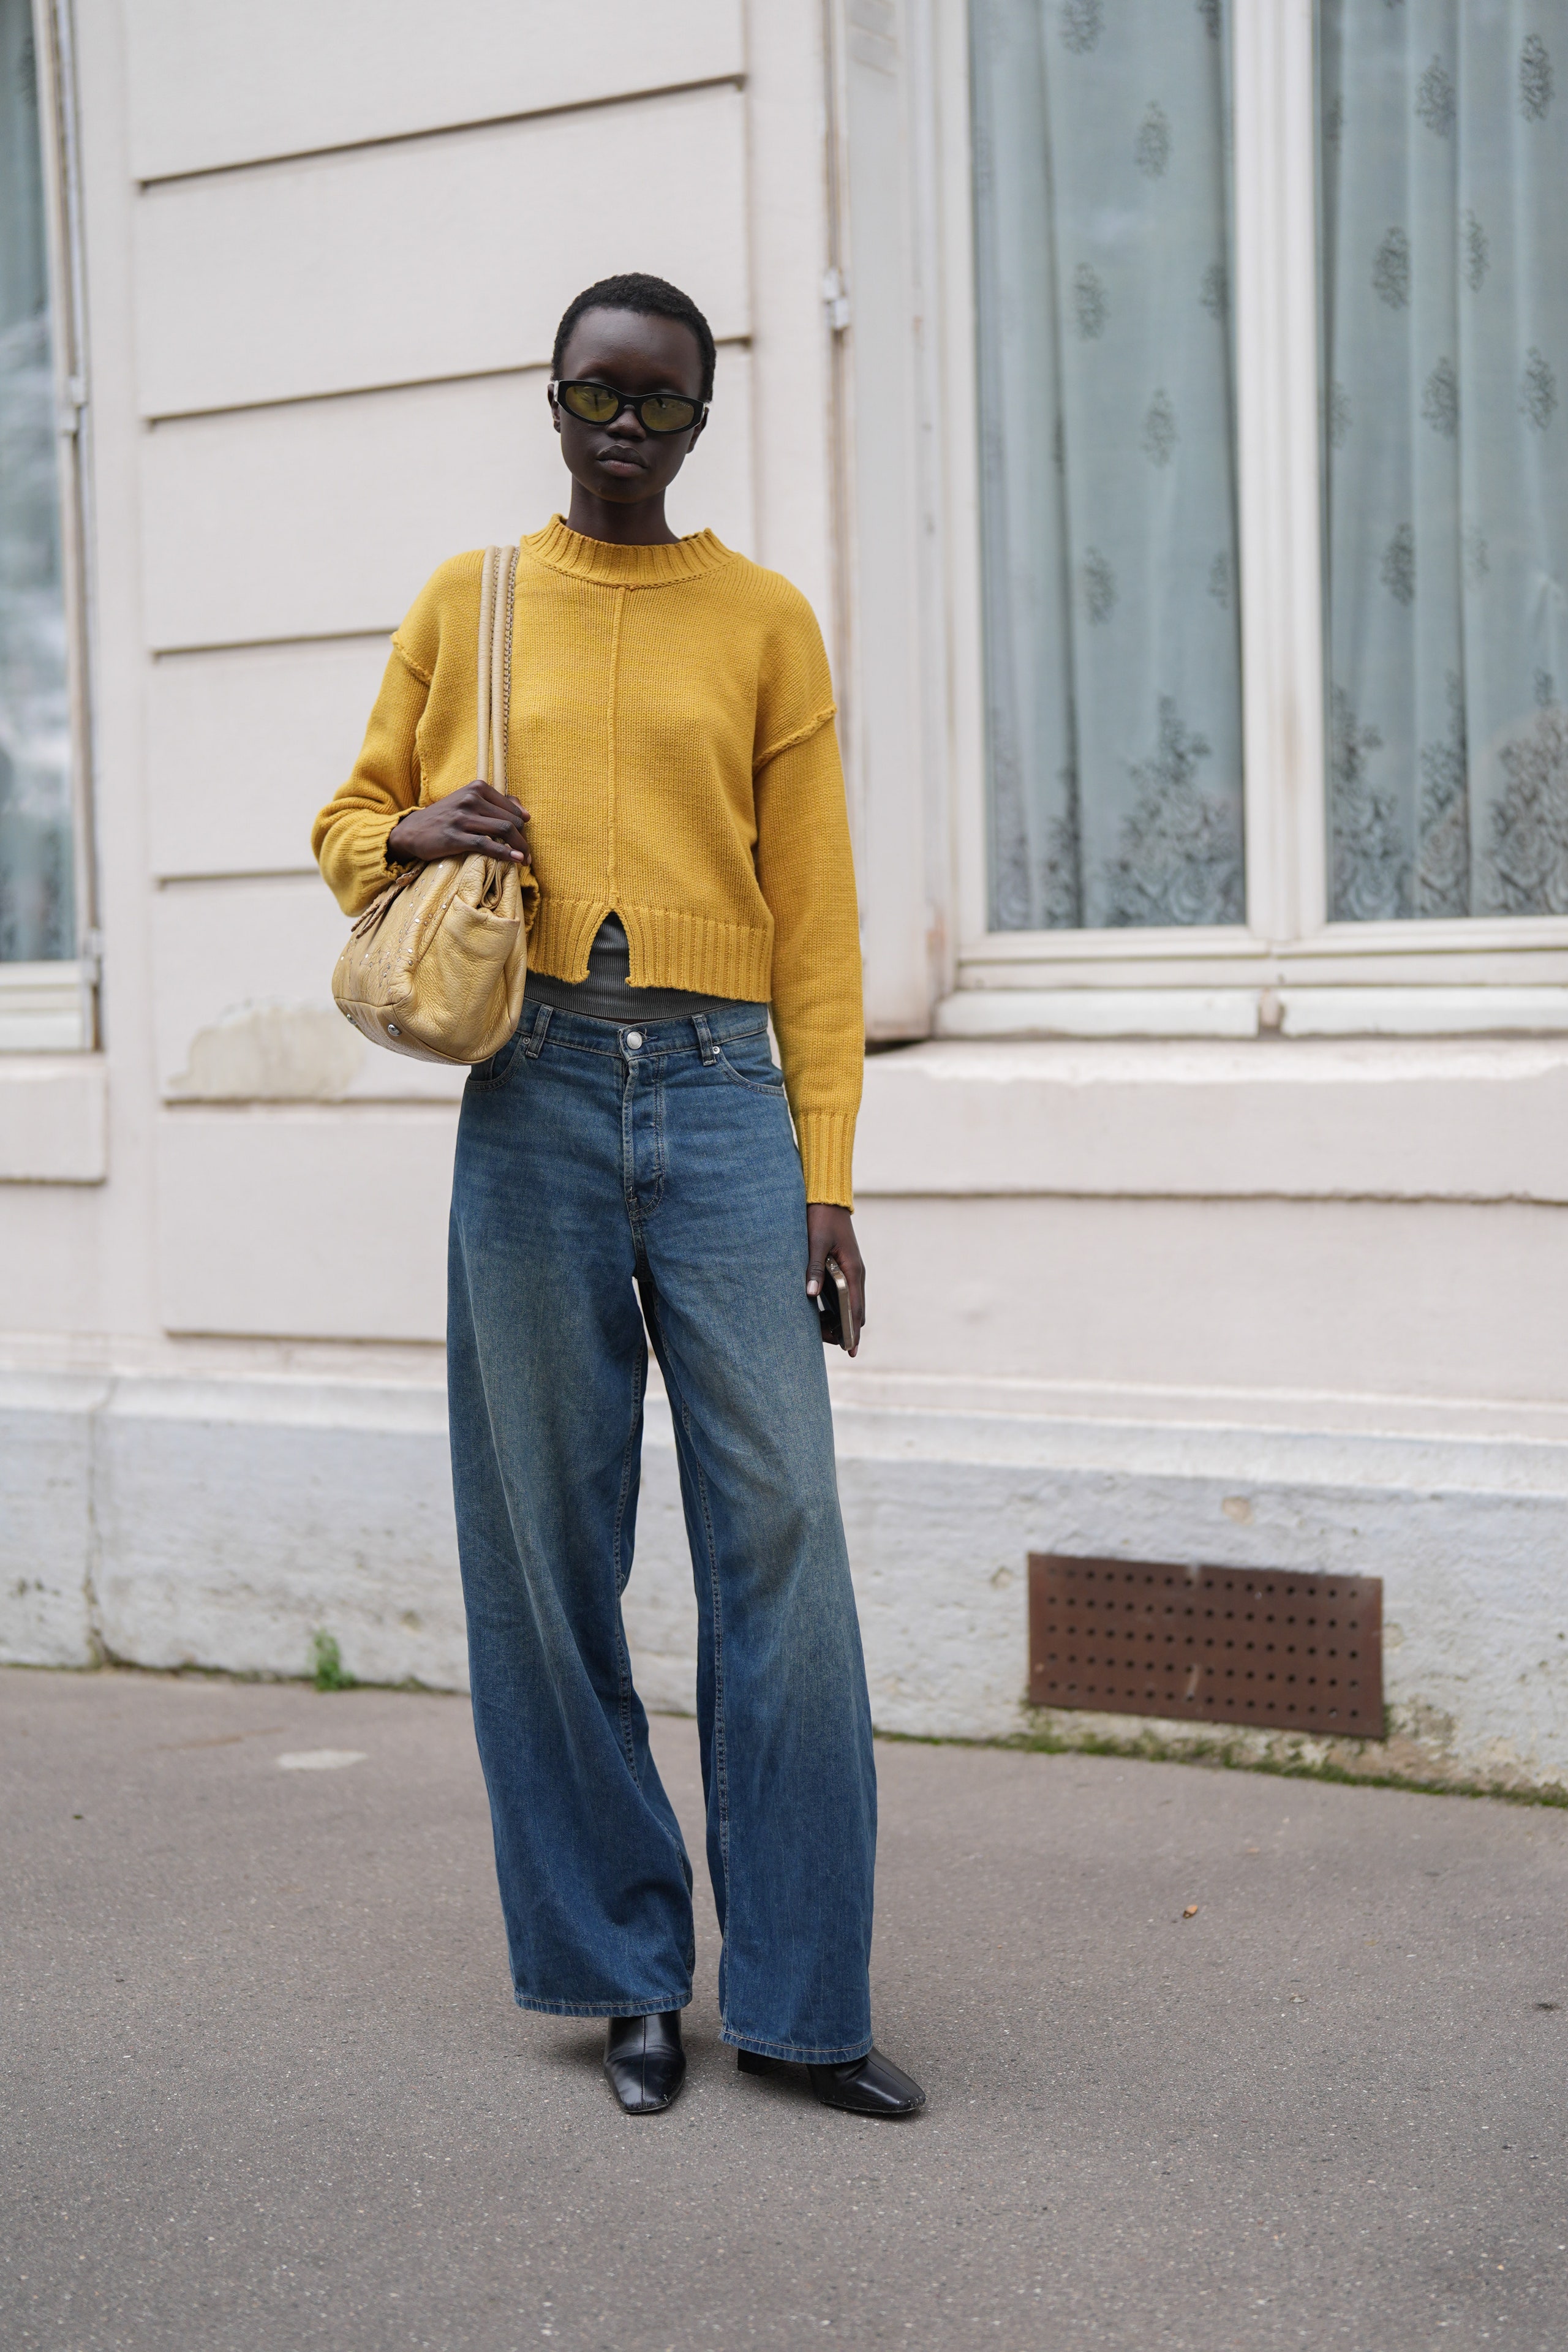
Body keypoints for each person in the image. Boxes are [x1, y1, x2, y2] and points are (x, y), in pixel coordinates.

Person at [312, 274, 924, 2121]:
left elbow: (815, 921)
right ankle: (621, 1974)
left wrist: (830, 1177)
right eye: (600, 392)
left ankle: (809, 2004)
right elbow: (348, 825)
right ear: (552, 395)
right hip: (535, 1091)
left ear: (706, 418)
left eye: (663, 402)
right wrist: (408, 833)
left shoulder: (765, 622)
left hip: (733, 1097)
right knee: (542, 1557)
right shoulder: (467, 600)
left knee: (785, 1552)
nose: (626, 427)